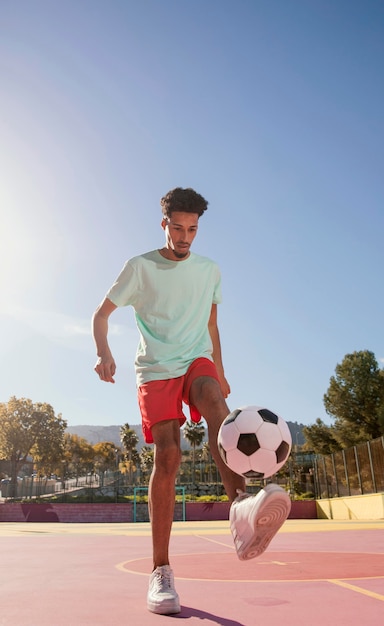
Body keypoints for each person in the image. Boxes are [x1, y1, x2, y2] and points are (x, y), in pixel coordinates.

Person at [92, 187, 291, 615]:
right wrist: (103, 352)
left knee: (218, 407)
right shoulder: (139, 267)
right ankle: (160, 571)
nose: (185, 237)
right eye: (178, 228)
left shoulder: (209, 270)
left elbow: (212, 324)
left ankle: (240, 508)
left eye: (193, 230)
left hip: (196, 359)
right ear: (164, 224)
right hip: (156, 369)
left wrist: (218, 369)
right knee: (168, 457)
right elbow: (101, 314)